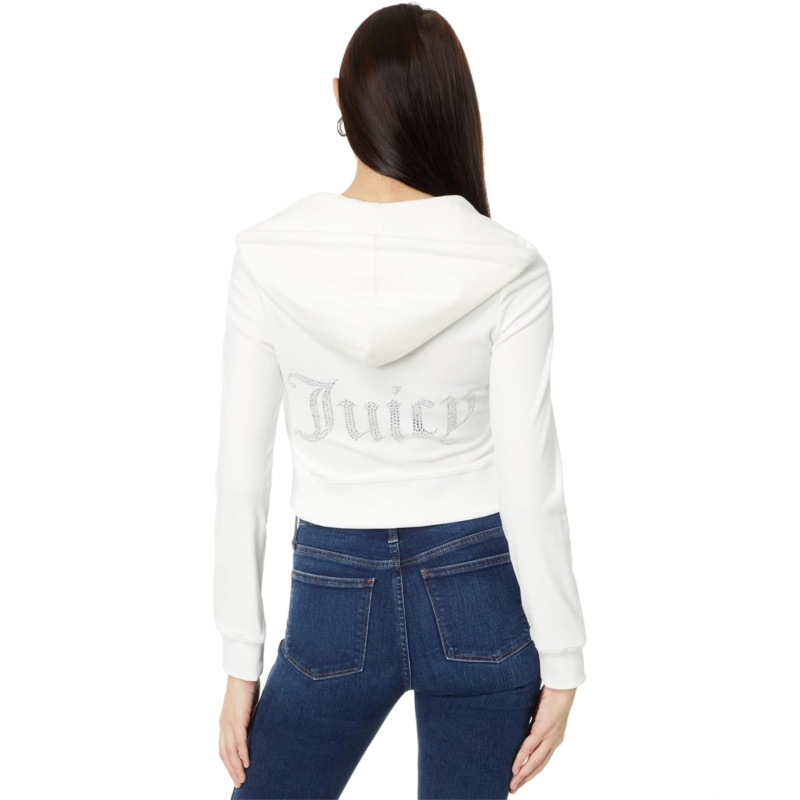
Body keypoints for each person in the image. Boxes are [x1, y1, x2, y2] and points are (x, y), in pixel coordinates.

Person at [214, 4, 587, 798]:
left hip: (331, 598)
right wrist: (564, 658)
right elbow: (531, 484)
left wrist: (240, 661)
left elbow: (240, 477)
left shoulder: (267, 256)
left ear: (339, 96)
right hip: (479, 591)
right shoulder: (509, 265)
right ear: (454, 110)